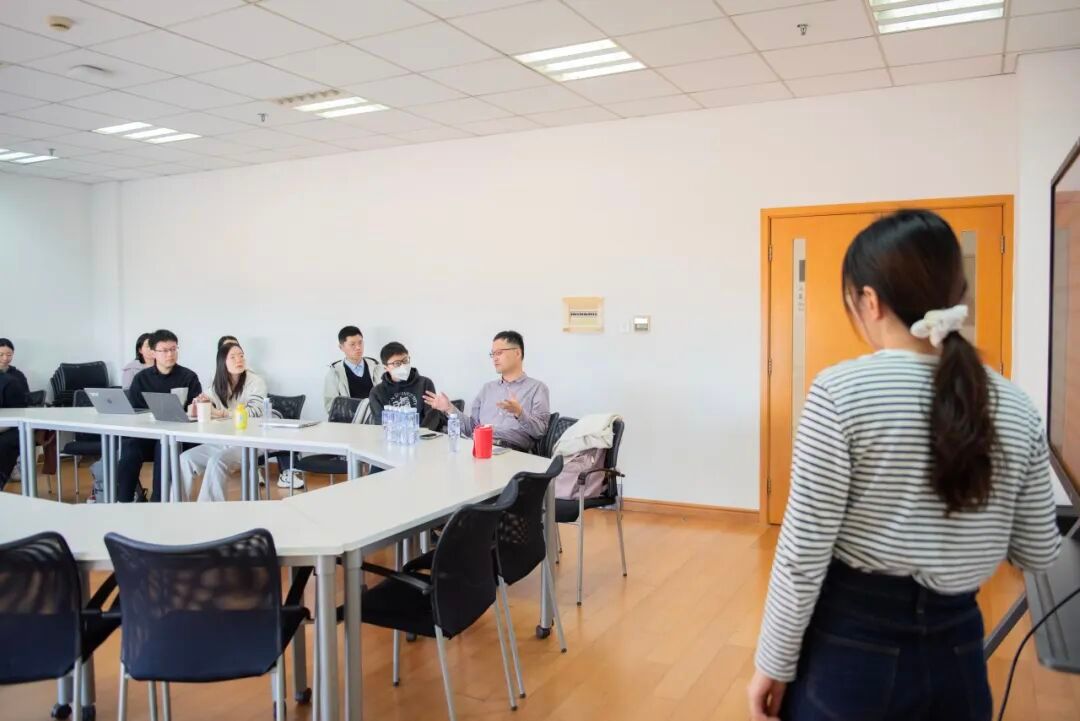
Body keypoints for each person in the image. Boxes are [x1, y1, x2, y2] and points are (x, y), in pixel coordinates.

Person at [748, 210, 1062, 721]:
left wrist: (773, 663)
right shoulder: (1016, 406)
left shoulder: (839, 393)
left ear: (870, 300)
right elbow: (1037, 551)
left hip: (852, 650)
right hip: (958, 651)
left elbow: (802, 555)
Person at [424, 330, 549, 451]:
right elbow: (471, 428)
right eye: (493, 354)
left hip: (512, 451)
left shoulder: (537, 388)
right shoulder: (487, 389)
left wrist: (519, 413)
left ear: (517, 353)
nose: (494, 358)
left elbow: (540, 431)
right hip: (479, 446)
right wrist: (449, 408)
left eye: (499, 353)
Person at [115, 329, 202, 503]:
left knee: (164, 446)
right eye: (164, 350)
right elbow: (135, 412)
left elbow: (197, 411)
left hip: (178, 438)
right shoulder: (141, 379)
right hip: (148, 435)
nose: (170, 354)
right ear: (153, 353)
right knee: (129, 448)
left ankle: (158, 501)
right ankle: (123, 501)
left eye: (173, 349)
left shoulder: (188, 377)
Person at [179, 343, 267, 502]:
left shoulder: (255, 381)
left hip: (252, 441)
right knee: (185, 459)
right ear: (222, 362)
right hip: (226, 439)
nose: (239, 360)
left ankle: (209, 512)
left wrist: (222, 413)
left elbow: (254, 412)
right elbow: (200, 402)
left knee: (217, 461)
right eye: (232, 357)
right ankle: (175, 507)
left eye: (241, 356)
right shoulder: (218, 384)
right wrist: (199, 403)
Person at [368, 342, 443, 431]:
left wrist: (419, 435)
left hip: (424, 435)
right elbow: (381, 423)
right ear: (386, 367)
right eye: (397, 363)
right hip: (393, 437)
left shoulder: (425, 383)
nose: (403, 366)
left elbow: (432, 417)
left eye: (405, 361)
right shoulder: (377, 393)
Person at [322, 325, 383, 419]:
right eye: (352, 344)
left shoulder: (377, 368)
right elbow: (331, 407)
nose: (358, 347)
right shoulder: (334, 373)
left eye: (360, 343)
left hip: (376, 420)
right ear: (341, 347)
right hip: (350, 423)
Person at [0, 339, 30, 491]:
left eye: (9, 354)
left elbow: (22, 407)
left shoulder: (16, 377)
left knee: (4, 443)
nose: (5, 358)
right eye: (1, 355)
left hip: (13, 424)